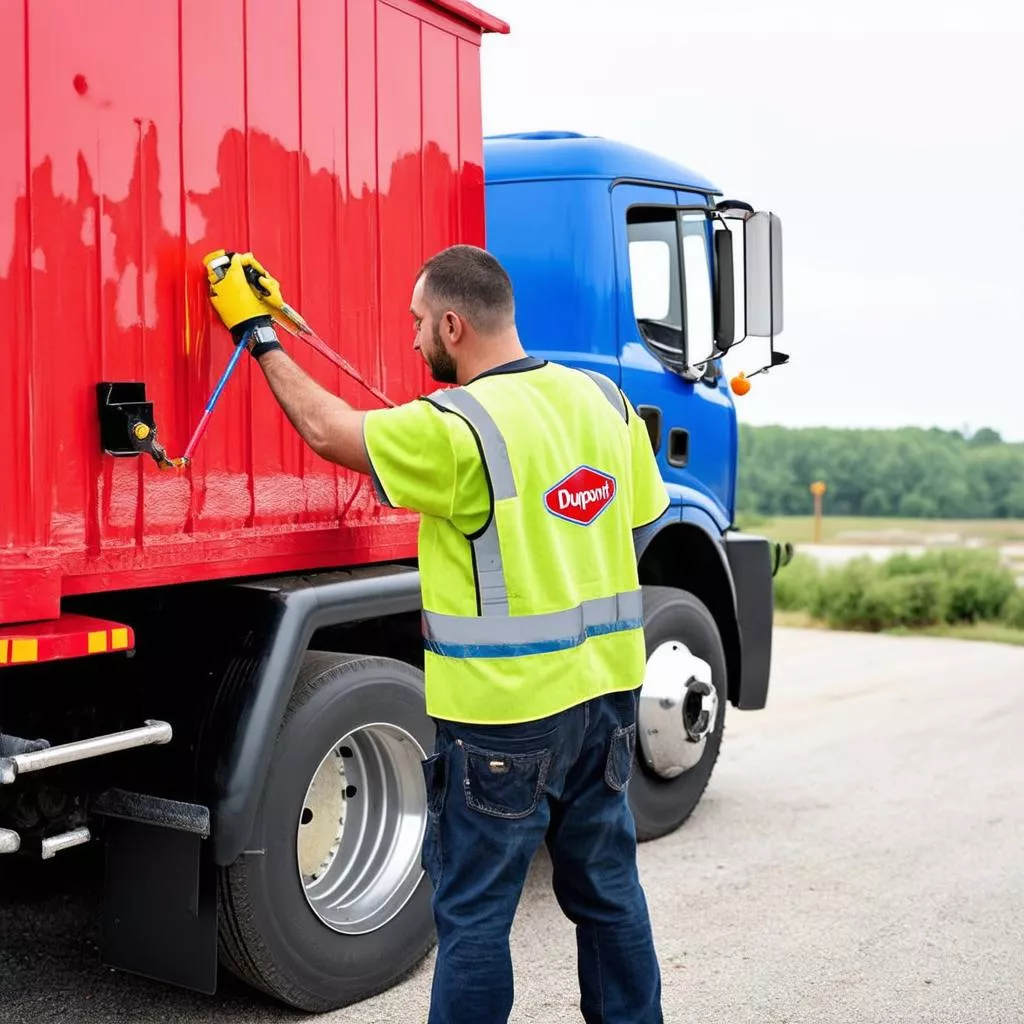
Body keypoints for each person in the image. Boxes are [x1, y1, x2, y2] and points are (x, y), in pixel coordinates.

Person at [204, 244, 669, 1024]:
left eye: (419, 322)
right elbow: (637, 520)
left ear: (453, 325)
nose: (412, 338)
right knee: (610, 893)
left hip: (503, 720)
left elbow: (327, 430)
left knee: (476, 916)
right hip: (607, 704)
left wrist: (259, 334)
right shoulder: (605, 401)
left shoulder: (457, 428)